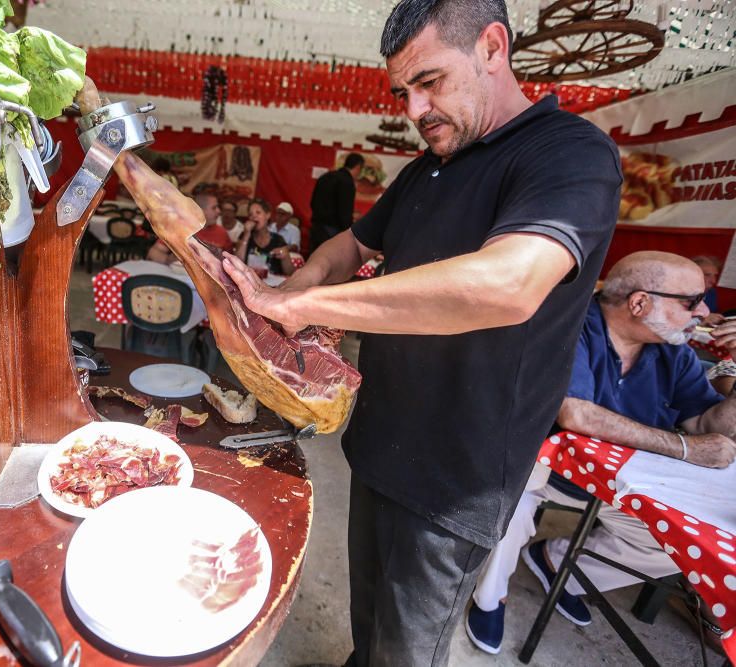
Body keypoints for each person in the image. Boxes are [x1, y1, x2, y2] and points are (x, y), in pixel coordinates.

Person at [219, 0, 623, 664]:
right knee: (367, 623)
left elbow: (507, 284)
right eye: (403, 91)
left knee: (407, 649)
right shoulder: (424, 169)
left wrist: (317, 303)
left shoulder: (570, 153)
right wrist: (290, 291)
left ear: (493, 47)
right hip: (379, 441)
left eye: (430, 82)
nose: (413, 109)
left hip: (455, 477)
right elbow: (350, 243)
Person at [465, 251, 736, 654]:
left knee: (675, 546)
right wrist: (682, 447)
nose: (702, 312)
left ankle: (560, 566)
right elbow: (575, 413)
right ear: (639, 302)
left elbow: (712, 428)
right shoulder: (569, 323)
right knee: (512, 511)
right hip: (528, 463)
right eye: (690, 301)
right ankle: (490, 598)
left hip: (613, 480)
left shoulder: (672, 351)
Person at [148, 192, 231, 264]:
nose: (219, 211)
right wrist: (168, 260)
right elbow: (154, 252)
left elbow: (231, 260)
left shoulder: (222, 233)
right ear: (200, 210)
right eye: (214, 208)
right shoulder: (180, 228)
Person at [310, 152, 362, 251]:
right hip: (332, 233)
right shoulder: (347, 182)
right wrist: (348, 234)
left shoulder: (324, 177)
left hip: (316, 228)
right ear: (358, 167)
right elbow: (344, 213)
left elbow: (312, 203)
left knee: (314, 261)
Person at [234, 199, 295, 276]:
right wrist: (246, 235)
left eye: (258, 212)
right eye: (250, 214)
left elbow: (290, 273)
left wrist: (285, 257)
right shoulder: (244, 235)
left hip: (272, 285)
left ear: (268, 215)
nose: (253, 216)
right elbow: (236, 264)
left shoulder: (278, 239)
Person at [692, 255, 724, 324]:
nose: (713, 281)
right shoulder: (678, 293)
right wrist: (700, 319)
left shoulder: (711, 293)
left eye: (715, 275)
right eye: (707, 275)